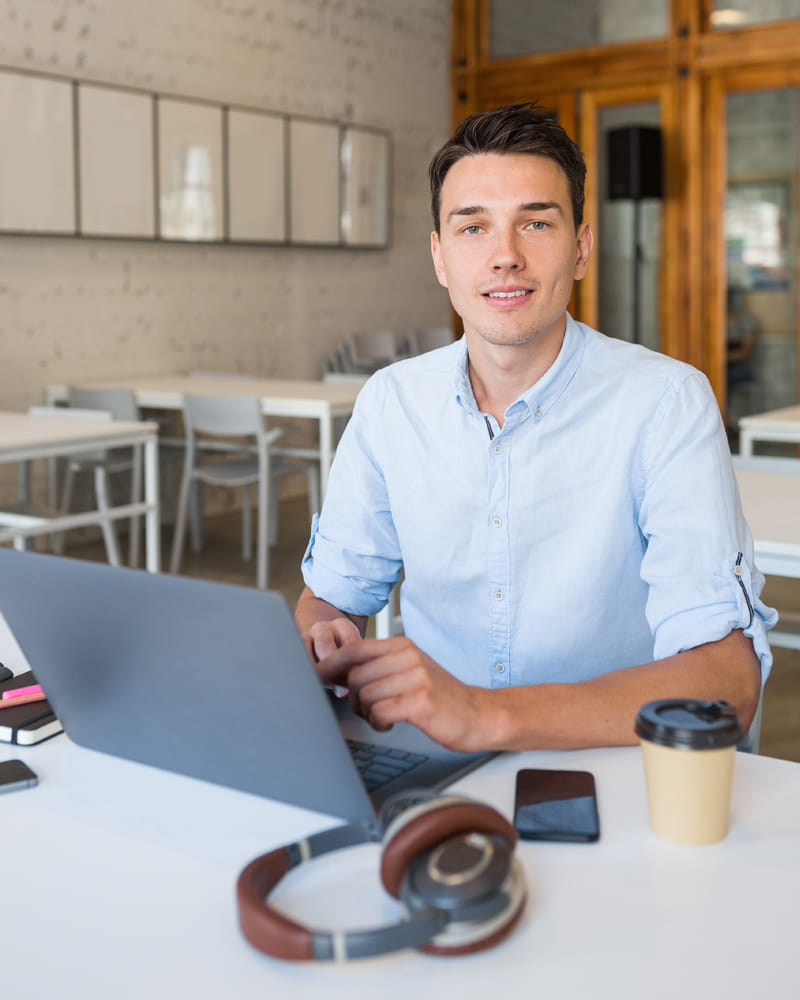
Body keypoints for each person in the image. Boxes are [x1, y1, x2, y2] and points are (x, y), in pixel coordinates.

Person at [295, 103, 775, 753]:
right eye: (473, 229)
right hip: (431, 764)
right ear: (440, 258)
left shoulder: (666, 403)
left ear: (580, 248)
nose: (505, 256)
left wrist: (486, 714)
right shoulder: (391, 403)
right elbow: (331, 600)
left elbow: (725, 684)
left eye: (536, 223)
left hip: (611, 767)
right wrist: (324, 636)